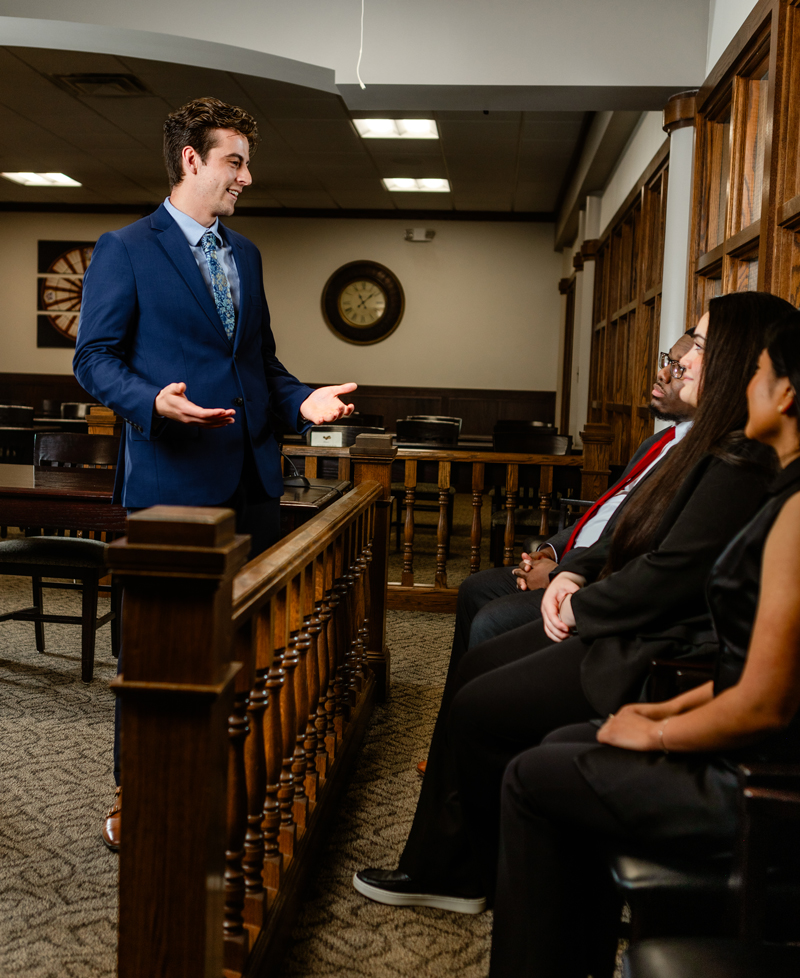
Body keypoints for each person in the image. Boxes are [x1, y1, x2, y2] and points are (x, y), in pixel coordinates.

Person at [353, 290, 795, 912]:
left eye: (698, 343)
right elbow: (628, 524)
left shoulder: (741, 457)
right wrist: (573, 570)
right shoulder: (701, 442)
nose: (683, 358)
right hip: (620, 613)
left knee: (482, 691)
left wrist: (579, 602)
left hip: (647, 644)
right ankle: (450, 863)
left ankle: (462, 867)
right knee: (480, 666)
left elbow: (673, 574)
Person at [73, 97, 357, 850]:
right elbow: (92, 360)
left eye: (246, 162)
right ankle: (137, 794)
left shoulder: (248, 255)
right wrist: (151, 403)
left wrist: (305, 400)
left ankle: (229, 778)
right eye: (235, 161)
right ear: (191, 160)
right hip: (170, 489)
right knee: (157, 653)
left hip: (254, 483)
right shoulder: (126, 247)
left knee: (247, 644)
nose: (247, 177)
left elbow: (260, 366)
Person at [487, 309, 800, 978]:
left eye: (758, 376)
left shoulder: (796, 510)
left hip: (758, 781)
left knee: (535, 774)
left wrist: (658, 736)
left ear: (787, 394)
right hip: (742, 745)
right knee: (564, 745)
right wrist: (656, 713)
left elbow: (769, 706)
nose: (742, 389)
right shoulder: (780, 493)